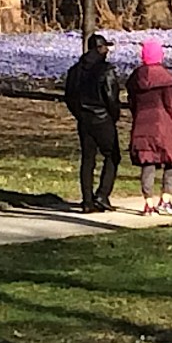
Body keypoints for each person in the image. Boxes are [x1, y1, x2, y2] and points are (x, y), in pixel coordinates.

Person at [126, 39, 172, 216]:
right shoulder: (166, 79)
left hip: (143, 126)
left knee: (148, 162)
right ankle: (165, 200)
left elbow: (132, 103)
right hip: (166, 126)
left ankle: (148, 203)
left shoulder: (136, 78)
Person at [64, 33, 121, 213]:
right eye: (105, 47)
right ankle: (102, 195)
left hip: (84, 120)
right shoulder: (106, 70)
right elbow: (111, 97)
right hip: (103, 118)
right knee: (112, 156)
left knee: (88, 159)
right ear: (99, 48)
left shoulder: (75, 70)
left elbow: (69, 97)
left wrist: (79, 114)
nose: (107, 51)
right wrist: (114, 115)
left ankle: (87, 200)